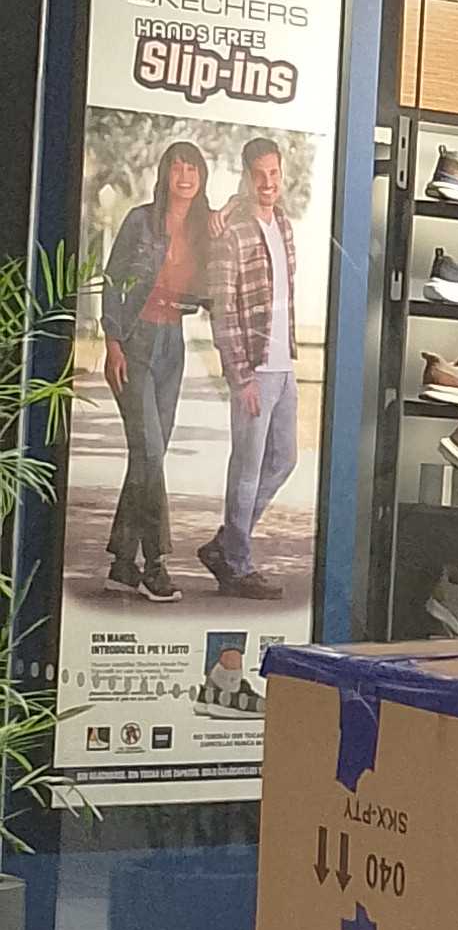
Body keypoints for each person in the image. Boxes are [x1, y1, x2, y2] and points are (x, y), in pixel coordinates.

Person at [100, 139, 212, 600]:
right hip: (137, 339)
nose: (184, 176)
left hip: (173, 345)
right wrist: (112, 342)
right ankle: (156, 563)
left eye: (192, 169)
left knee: (149, 455)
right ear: (165, 174)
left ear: (202, 177)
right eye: (177, 168)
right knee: (149, 452)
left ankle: (122, 564)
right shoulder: (140, 220)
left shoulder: (206, 228)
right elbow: (112, 280)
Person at [202, 134, 298, 597]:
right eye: (259, 175)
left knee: (284, 459)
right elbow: (222, 310)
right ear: (246, 176)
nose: (267, 182)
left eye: (273, 173)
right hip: (254, 371)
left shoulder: (285, 225)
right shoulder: (232, 234)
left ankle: (226, 544)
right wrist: (240, 377)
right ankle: (238, 566)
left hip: (284, 365)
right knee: (246, 468)